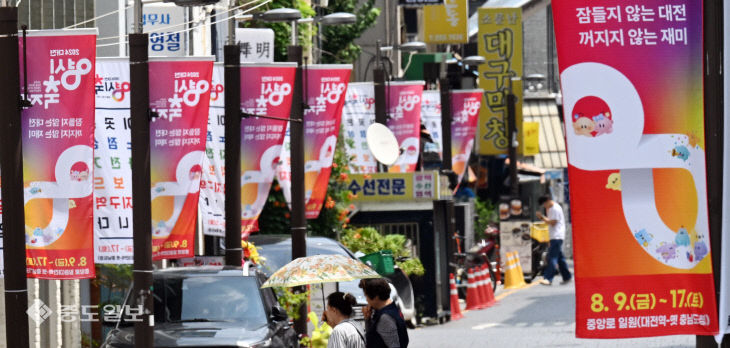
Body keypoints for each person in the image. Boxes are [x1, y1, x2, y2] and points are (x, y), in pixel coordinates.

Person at [359, 278, 409, 348]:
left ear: (376, 297)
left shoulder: (385, 318)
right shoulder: (392, 309)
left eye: (366, 296)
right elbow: (373, 338)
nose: (366, 300)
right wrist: (368, 319)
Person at [536, 194, 572, 285]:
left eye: (544, 204)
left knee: (552, 257)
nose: (544, 206)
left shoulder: (555, 208)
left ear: (547, 201)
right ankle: (567, 276)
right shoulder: (551, 209)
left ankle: (548, 278)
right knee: (560, 258)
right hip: (555, 236)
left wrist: (541, 217)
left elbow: (553, 222)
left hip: (557, 235)